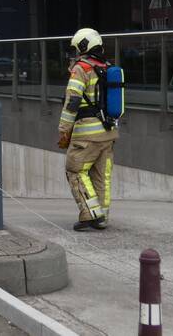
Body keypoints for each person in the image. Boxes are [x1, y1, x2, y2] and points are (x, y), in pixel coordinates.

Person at [58, 27, 118, 232]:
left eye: (77, 48)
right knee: (102, 176)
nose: (76, 53)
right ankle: (102, 216)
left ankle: (89, 213)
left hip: (87, 134)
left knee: (75, 170)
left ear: (84, 46)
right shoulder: (107, 67)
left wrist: (64, 129)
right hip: (108, 132)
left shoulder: (81, 69)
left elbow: (72, 101)